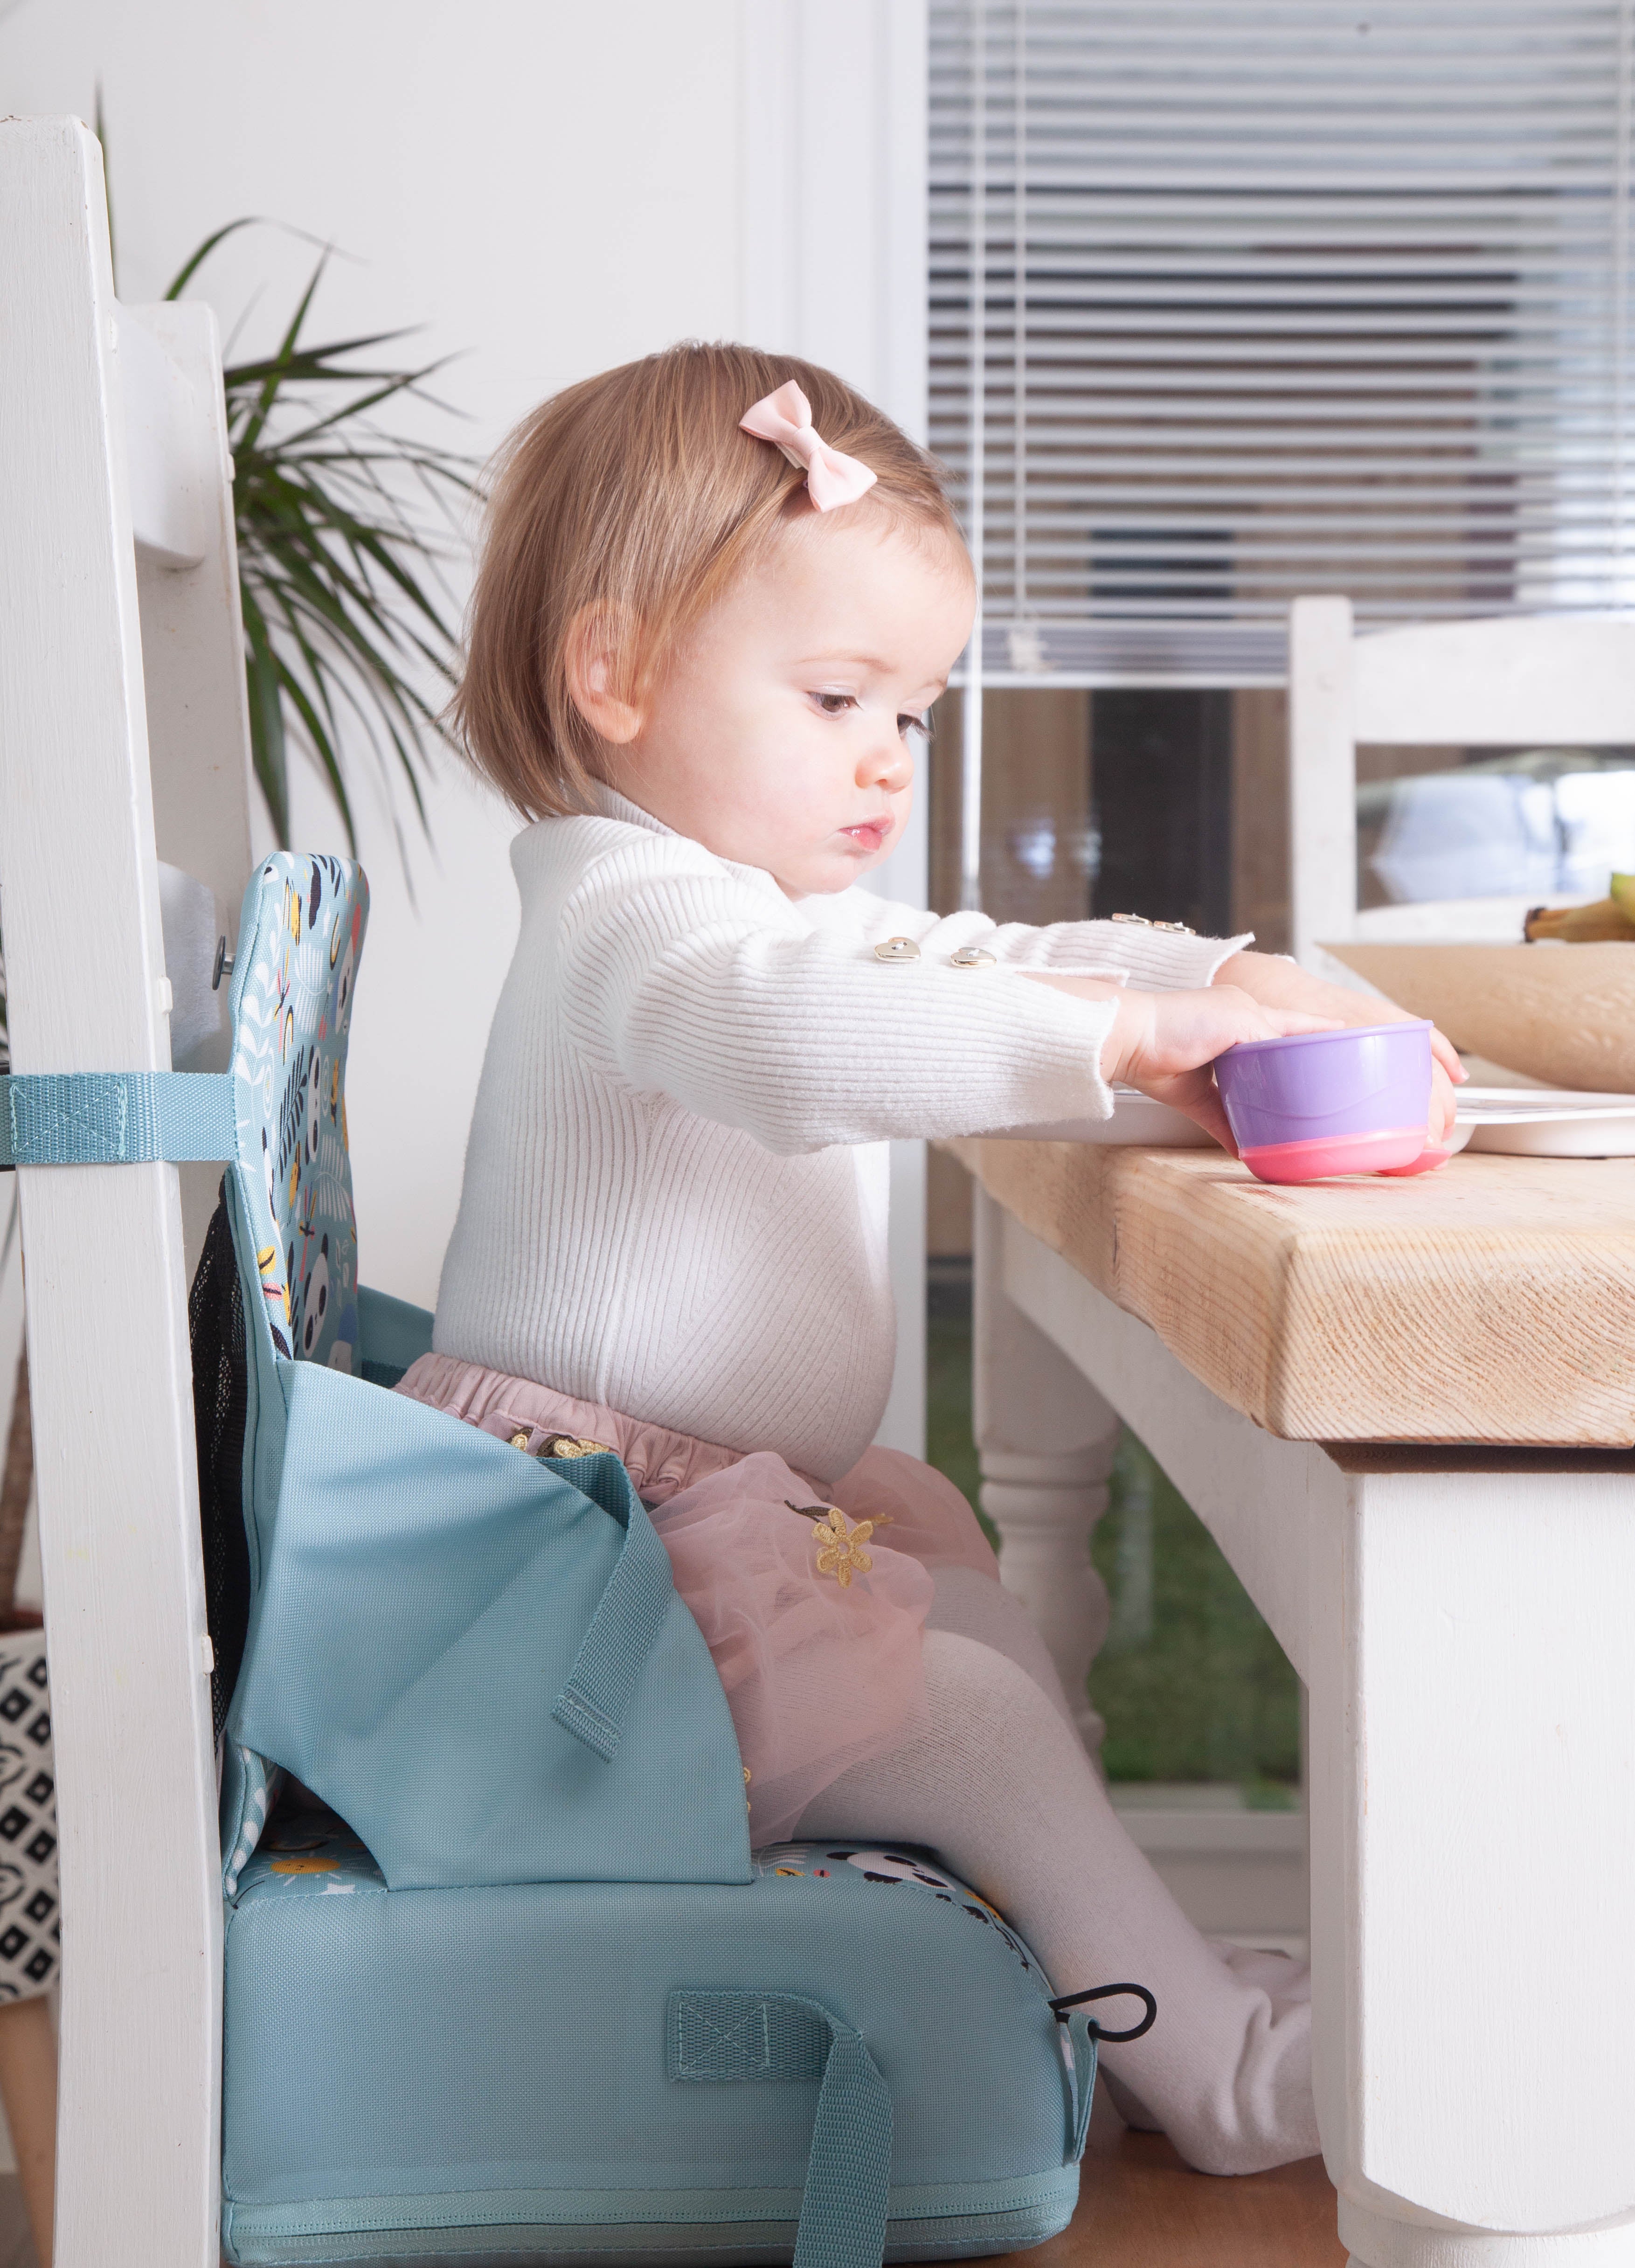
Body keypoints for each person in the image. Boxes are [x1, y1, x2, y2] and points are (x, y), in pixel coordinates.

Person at [396, 342, 1461, 2175]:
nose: (890, 761)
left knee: (978, 1629)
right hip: (571, 1584)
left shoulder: (760, 903)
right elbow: (790, 1030)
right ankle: (1207, 2067)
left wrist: (1205, 980)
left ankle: (1130, 1988)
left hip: (701, 1521)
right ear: (616, 670)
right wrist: (1113, 1048)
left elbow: (951, 951)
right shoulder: (634, 918)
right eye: (836, 697)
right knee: (956, 1708)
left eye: (918, 711)